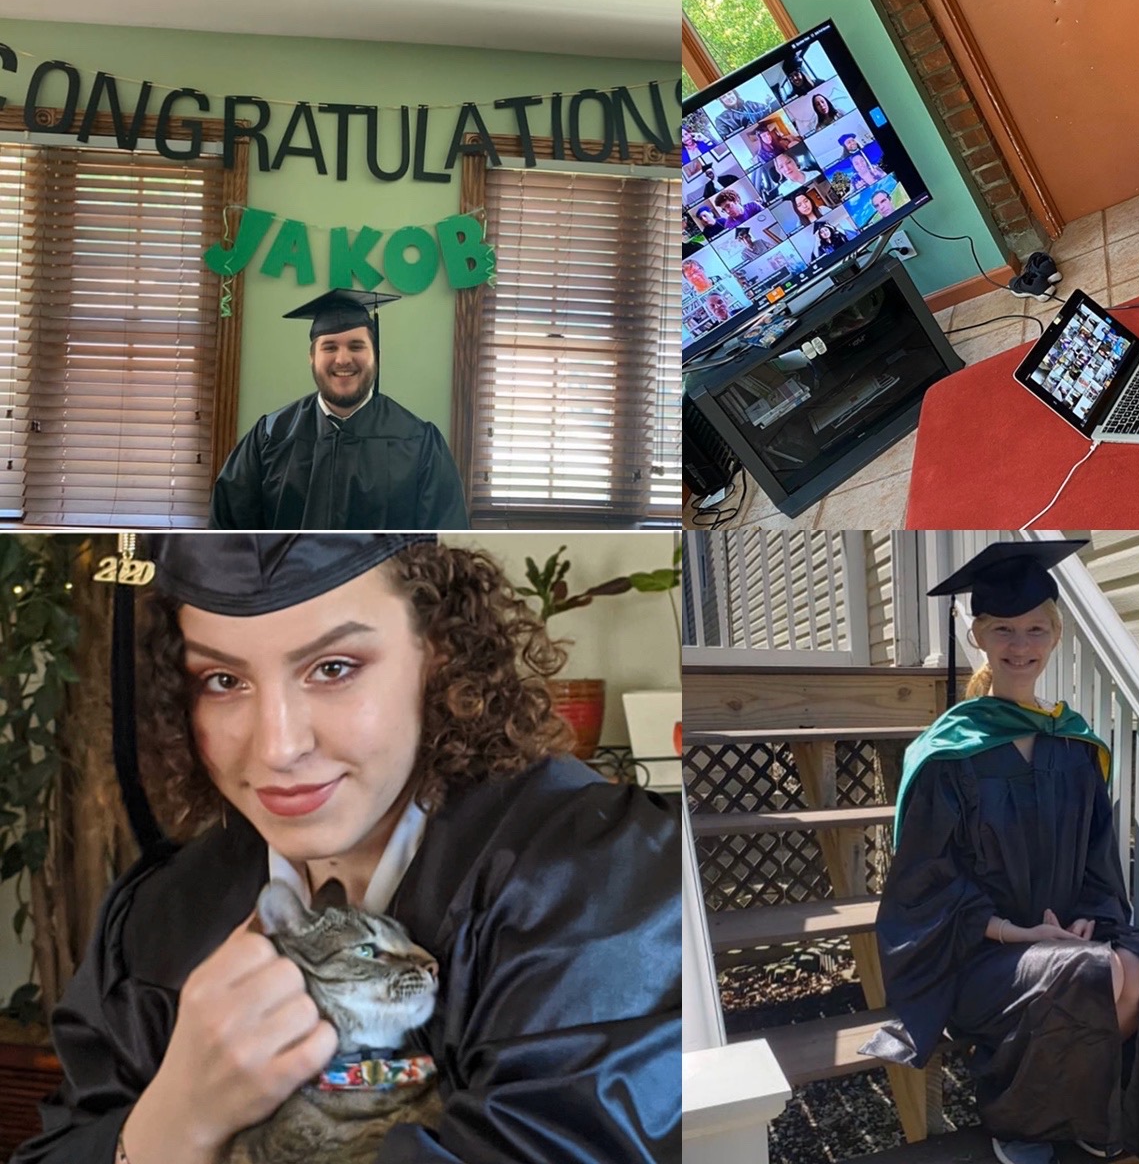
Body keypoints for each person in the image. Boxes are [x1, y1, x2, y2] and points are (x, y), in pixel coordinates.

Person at [19, 533, 681, 1164]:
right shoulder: (159, 918)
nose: (277, 747)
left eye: (334, 668)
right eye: (222, 680)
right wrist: (179, 1118)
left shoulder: (591, 882)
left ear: (439, 650)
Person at [864, 542, 1139, 1164]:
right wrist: (1016, 932)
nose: (1021, 644)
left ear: (1055, 636)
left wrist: (1090, 915)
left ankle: (1089, 1118)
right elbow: (924, 884)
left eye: (1035, 629)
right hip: (975, 956)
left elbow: (1097, 856)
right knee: (1094, 972)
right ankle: (1023, 1125)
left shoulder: (1072, 744)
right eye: (1004, 629)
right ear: (980, 635)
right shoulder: (949, 754)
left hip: (1061, 937)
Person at [209, 291, 468, 530]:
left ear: (375, 354)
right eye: (330, 347)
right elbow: (227, 535)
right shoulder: (269, 438)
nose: (343, 359)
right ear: (312, 356)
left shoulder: (418, 443)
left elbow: (445, 546)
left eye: (356, 346)